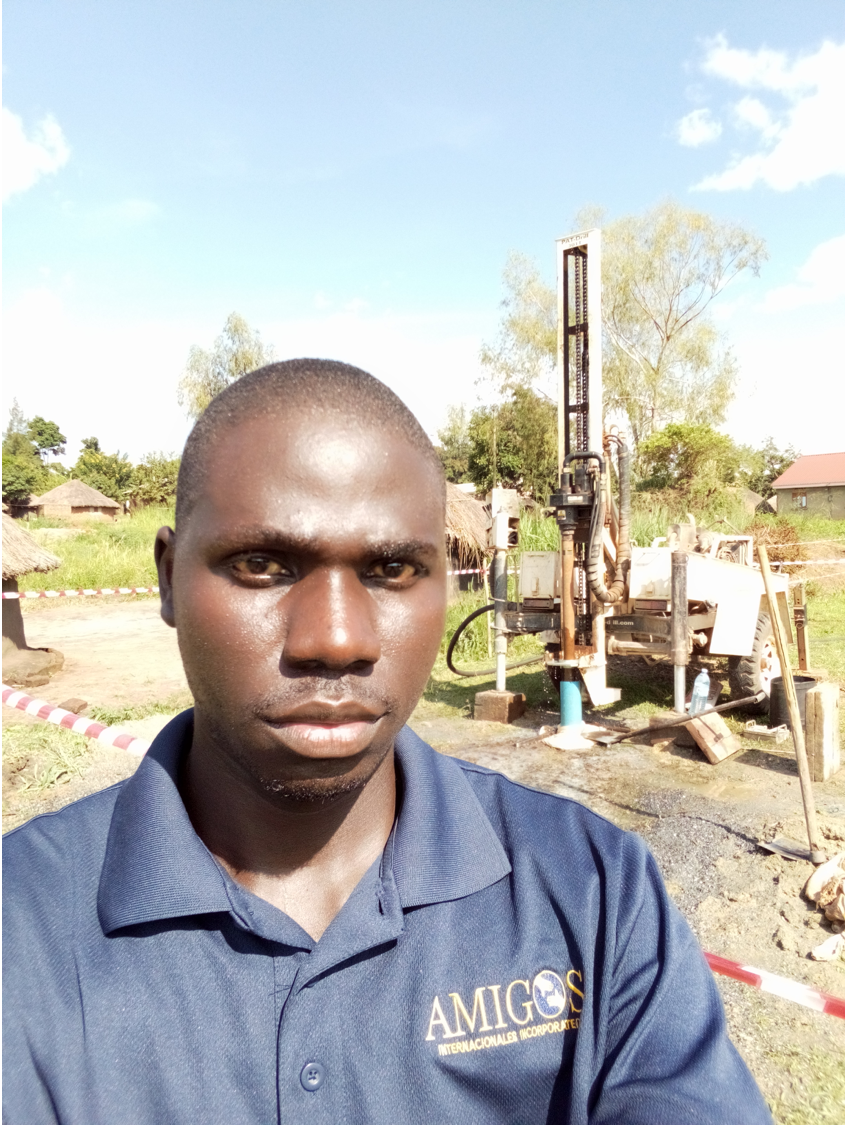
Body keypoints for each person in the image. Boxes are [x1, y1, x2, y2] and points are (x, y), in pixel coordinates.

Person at [3, 360, 772, 1124]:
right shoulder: (24, 924)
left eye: (393, 567)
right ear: (170, 578)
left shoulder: (595, 891)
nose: (335, 640)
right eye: (263, 565)